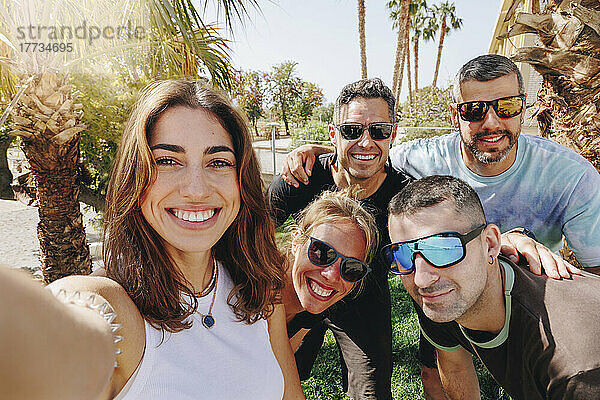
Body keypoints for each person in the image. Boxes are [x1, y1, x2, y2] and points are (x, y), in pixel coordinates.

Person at [280, 55, 599, 397]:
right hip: (408, 275)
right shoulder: (416, 159)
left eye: (506, 106)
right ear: (455, 114)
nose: (491, 122)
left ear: (524, 108)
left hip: (518, 291)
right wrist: (317, 150)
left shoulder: (571, 176)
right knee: (285, 374)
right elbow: (365, 154)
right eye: (474, 109)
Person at [0, 80, 304, 399]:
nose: (196, 189)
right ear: (137, 178)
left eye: (219, 162)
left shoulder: (259, 294)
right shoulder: (114, 309)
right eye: (167, 160)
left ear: (241, 181)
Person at [384, 175, 600, 400]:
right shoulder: (440, 297)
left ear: (490, 244)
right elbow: (455, 367)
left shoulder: (576, 367)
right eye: (402, 254)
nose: (421, 280)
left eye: (443, 248)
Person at [269, 78, 412, 399]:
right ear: (333, 134)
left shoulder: (404, 198)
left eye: (379, 131)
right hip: (303, 286)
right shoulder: (301, 176)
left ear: (393, 134)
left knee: (371, 392)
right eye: (351, 131)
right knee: (275, 378)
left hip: (362, 295)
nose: (365, 142)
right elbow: (249, 238)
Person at [281, 187, 378, 352]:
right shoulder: (253, 287)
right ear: (296, 242)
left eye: (351, 268)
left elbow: (281, 365)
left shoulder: (316, 303)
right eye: (322, 253)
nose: (332, 276)